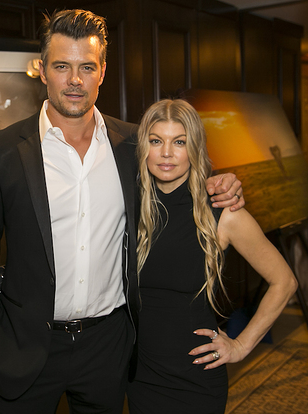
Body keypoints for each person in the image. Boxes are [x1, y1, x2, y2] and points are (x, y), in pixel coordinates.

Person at [0, 10, 244, 414]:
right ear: (42, 70)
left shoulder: (132, 145)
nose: (74, 80)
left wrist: (223, 182)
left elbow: (183, 167)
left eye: (86, 67)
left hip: (108, 349)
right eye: (62, 66)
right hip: (24, 349)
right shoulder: (2, 151)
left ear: (103, 72)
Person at [126, 98, 298, 414]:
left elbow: (284, 281)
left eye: (179, 142)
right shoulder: (129, 205)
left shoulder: (221, 213)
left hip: (196, 379)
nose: (166, 153)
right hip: (140, 377)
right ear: (144, 147)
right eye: (156, 141)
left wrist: (241, 345)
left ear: (194, 148)